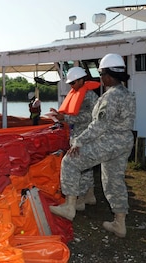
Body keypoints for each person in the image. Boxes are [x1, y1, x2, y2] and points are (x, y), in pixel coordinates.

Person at [49, 53, 136, 238]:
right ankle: (119, 223)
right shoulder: (128, 94)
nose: (101, 77)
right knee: (113, 180)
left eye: (102, 73)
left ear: (108, 75)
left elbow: (99, 125)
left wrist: (79, 141)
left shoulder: (110, 96)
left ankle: (69, 207)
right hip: (124, 142)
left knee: (70, 162)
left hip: (109, 141)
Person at [50, 67, 100, 211]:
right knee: (86, 167)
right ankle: (89, 195)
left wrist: (65, 118)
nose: (71, 86)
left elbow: (91, 116)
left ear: (81, 80)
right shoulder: (78, 94)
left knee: (82, 167)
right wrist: (58, 115)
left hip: (85, 137)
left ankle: (81, 199)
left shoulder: (89, 96)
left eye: (73, 83)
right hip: (78, 135)